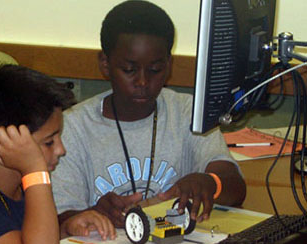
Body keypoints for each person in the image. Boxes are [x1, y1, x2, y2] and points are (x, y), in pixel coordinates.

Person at [52, 0, 246, 231]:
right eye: (129, 70)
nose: (143, 82)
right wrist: (91, 213)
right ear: (105, 64)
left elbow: (235, 187)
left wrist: (210, 183)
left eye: (155, 70)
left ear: (169, 65)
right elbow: (59, 219)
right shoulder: (71, 127)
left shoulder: (187, 113)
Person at [0, 64, 115, 244]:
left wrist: (63, 230)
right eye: (49, 142)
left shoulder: (17, 188)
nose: (61, 150)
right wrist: (35, 170)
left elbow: (27, 241)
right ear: (5, 141)